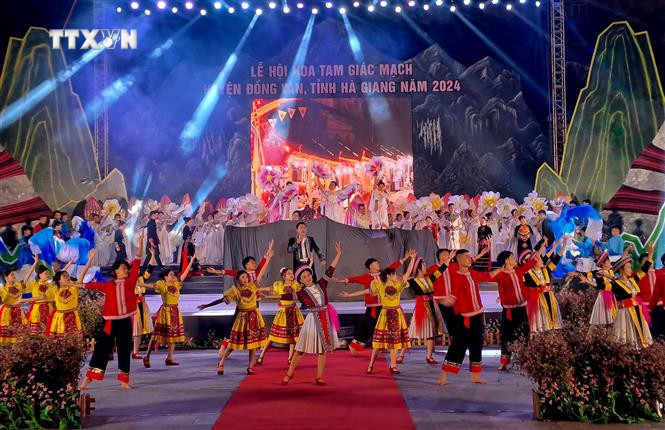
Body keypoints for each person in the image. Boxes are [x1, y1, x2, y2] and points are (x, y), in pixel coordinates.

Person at [80, 231, 145, 390]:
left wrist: (140, 243)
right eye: (123, 268)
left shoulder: (130, 282)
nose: (126, 271)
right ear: (116, 271)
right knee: (102, 350)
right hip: (110, 322)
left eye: (127, 269)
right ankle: (88, 379)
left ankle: (124, 380)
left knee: (124, 350)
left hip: (125, 321)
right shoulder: (107, 285)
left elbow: (137, 260)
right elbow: (83, 284)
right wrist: (89, 260)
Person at [197, 245, 273, 375]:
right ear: (238, 279)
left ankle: (250, 366)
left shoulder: (253, 286)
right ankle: (222, 363)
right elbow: (222, 299)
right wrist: (206, 306)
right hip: (242, 318)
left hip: (254, 317)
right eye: (242, 277)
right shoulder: (235, 291)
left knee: (253, 343)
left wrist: (268, 258)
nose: (245, 278)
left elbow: (260, 272)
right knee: (233, 343)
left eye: (246, 277)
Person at [340, 250, 417, 374]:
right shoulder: (380, 286)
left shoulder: (398, 285)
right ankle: (371, 365)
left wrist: (412, 259)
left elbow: (407, 273)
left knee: (394, 342)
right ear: (389, 276)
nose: (396, 276)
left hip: (396, 315)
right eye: (394, 274)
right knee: (377, 343)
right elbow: (366, 291)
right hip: (384, 315)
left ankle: (393, 366)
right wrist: (349, 295)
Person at [282, 242, 342, 386]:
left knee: (323, 350)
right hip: (312, 320)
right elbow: (285, 297)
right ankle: (289, 373)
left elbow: (330, 270)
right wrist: (266, 295)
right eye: (304, 277)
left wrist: (339, 254)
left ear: (312, 274)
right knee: (300, 349)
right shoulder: (302, 292)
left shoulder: (321, 284)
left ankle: (319, 377)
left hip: (325, 318)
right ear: (300, 281)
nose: (307, 277)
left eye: (308, 274)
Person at [438, 249, 496, 385]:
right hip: (464, 318)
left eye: (469, 257)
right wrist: (445, 301)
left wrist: (500, 270)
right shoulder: (456, 276)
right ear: (459, 260)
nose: (469, 259)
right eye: (466, 257)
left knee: (477, 345)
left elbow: (487, 277)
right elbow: (453, 296)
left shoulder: (472, 273)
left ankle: (476, 376)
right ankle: (444, 375)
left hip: (478, 315)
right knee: (458, 346)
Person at [491, 239, 547, 371]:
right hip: (508, 312)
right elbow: (487, 276)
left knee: (524, 334)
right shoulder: (500, 276)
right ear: (506, 261)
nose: (514, 259)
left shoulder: (519, 271)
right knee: (507, 336)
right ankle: (504, 362)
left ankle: (525, 360)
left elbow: (533, 259)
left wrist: (542, 247)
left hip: (521, 309)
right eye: (511, 257)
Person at [142, 249, 198, 368]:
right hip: (165, 312)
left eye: (173, 274)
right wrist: (138, 284)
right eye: (171, 274)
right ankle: (147, 356)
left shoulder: (176, 284)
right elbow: (150, 285)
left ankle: (169, 358)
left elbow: (185, 273)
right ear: (166, 277)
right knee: (156, 335)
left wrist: (191, 261)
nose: (173, 276)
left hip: (175, 312)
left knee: (174, 335)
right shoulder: (162, 284)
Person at [397, 256, 451, 365]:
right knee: (412, 332)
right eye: (424, 265)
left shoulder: (429, 278)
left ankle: (429, 356)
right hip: (421, 307)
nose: (426, 267)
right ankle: (401, 355)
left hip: (432, 306)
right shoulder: (413, 281)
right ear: (419, 269)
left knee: (431, 332)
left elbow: (440, 271)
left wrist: (448, 260)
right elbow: (402, 282)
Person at [256, 267, 304, 365]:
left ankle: (290, 358)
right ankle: (261, 355)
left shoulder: (295, 285)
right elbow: (270, 289)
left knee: (293, 336)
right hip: (283, 313)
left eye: (292, 273)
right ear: (284, 276)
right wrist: (259, 289)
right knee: (272, 336)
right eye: (289, 273)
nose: (291, 275)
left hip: (294, 312)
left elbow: (299, 293)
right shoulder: (279, 285)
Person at [611, 244, 654, 349]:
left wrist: (650, 254)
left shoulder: (633, 280)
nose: (631, 269)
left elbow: (645, 269)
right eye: (628, 267)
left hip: (637, 310)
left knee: (641, 338)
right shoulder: (615, 284)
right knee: (626, 340)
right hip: (625, 314)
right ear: (622, 269)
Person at [522, 237, 567, 333]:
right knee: (542, 323)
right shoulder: (528, 274)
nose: (542, 260)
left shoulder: (546, 269)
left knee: (552, 320)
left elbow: (557, 258)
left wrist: (564, 245)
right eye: (539, 259)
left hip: (550, 297)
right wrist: (543, 247)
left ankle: (552, 336)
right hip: (538, 300)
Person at [47, 256, 95, 337]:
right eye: (64, 276)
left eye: (68, 275)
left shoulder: (73, 287)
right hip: (60, 318)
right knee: (61, 340)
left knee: (75, 339)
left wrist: (90, 258)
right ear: (59, 280)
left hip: (73, 317)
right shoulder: (55, 290)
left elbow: (83, 272)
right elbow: (44, 296)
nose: (68, 277)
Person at [24, 257, 56, 334]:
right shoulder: (34, 285)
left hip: (48, 309)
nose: (48, 275)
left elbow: (54, 298)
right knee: (36, 333)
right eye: (46, 273)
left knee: (48, 331)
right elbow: (25, 281)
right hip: (37, 310)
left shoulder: (50, 285)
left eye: (48, 273)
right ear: (40, 274)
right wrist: (35, 263)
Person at [0, 269, 29, 343]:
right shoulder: (2, 289)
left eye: (14, 274)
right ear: (6, 278)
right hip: (7, 312)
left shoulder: (18, 286)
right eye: (12, 275)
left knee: (20, 337)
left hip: (18, 311)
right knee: (7, 338)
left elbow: (26, 278)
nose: (14, 276)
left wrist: (34, 264)